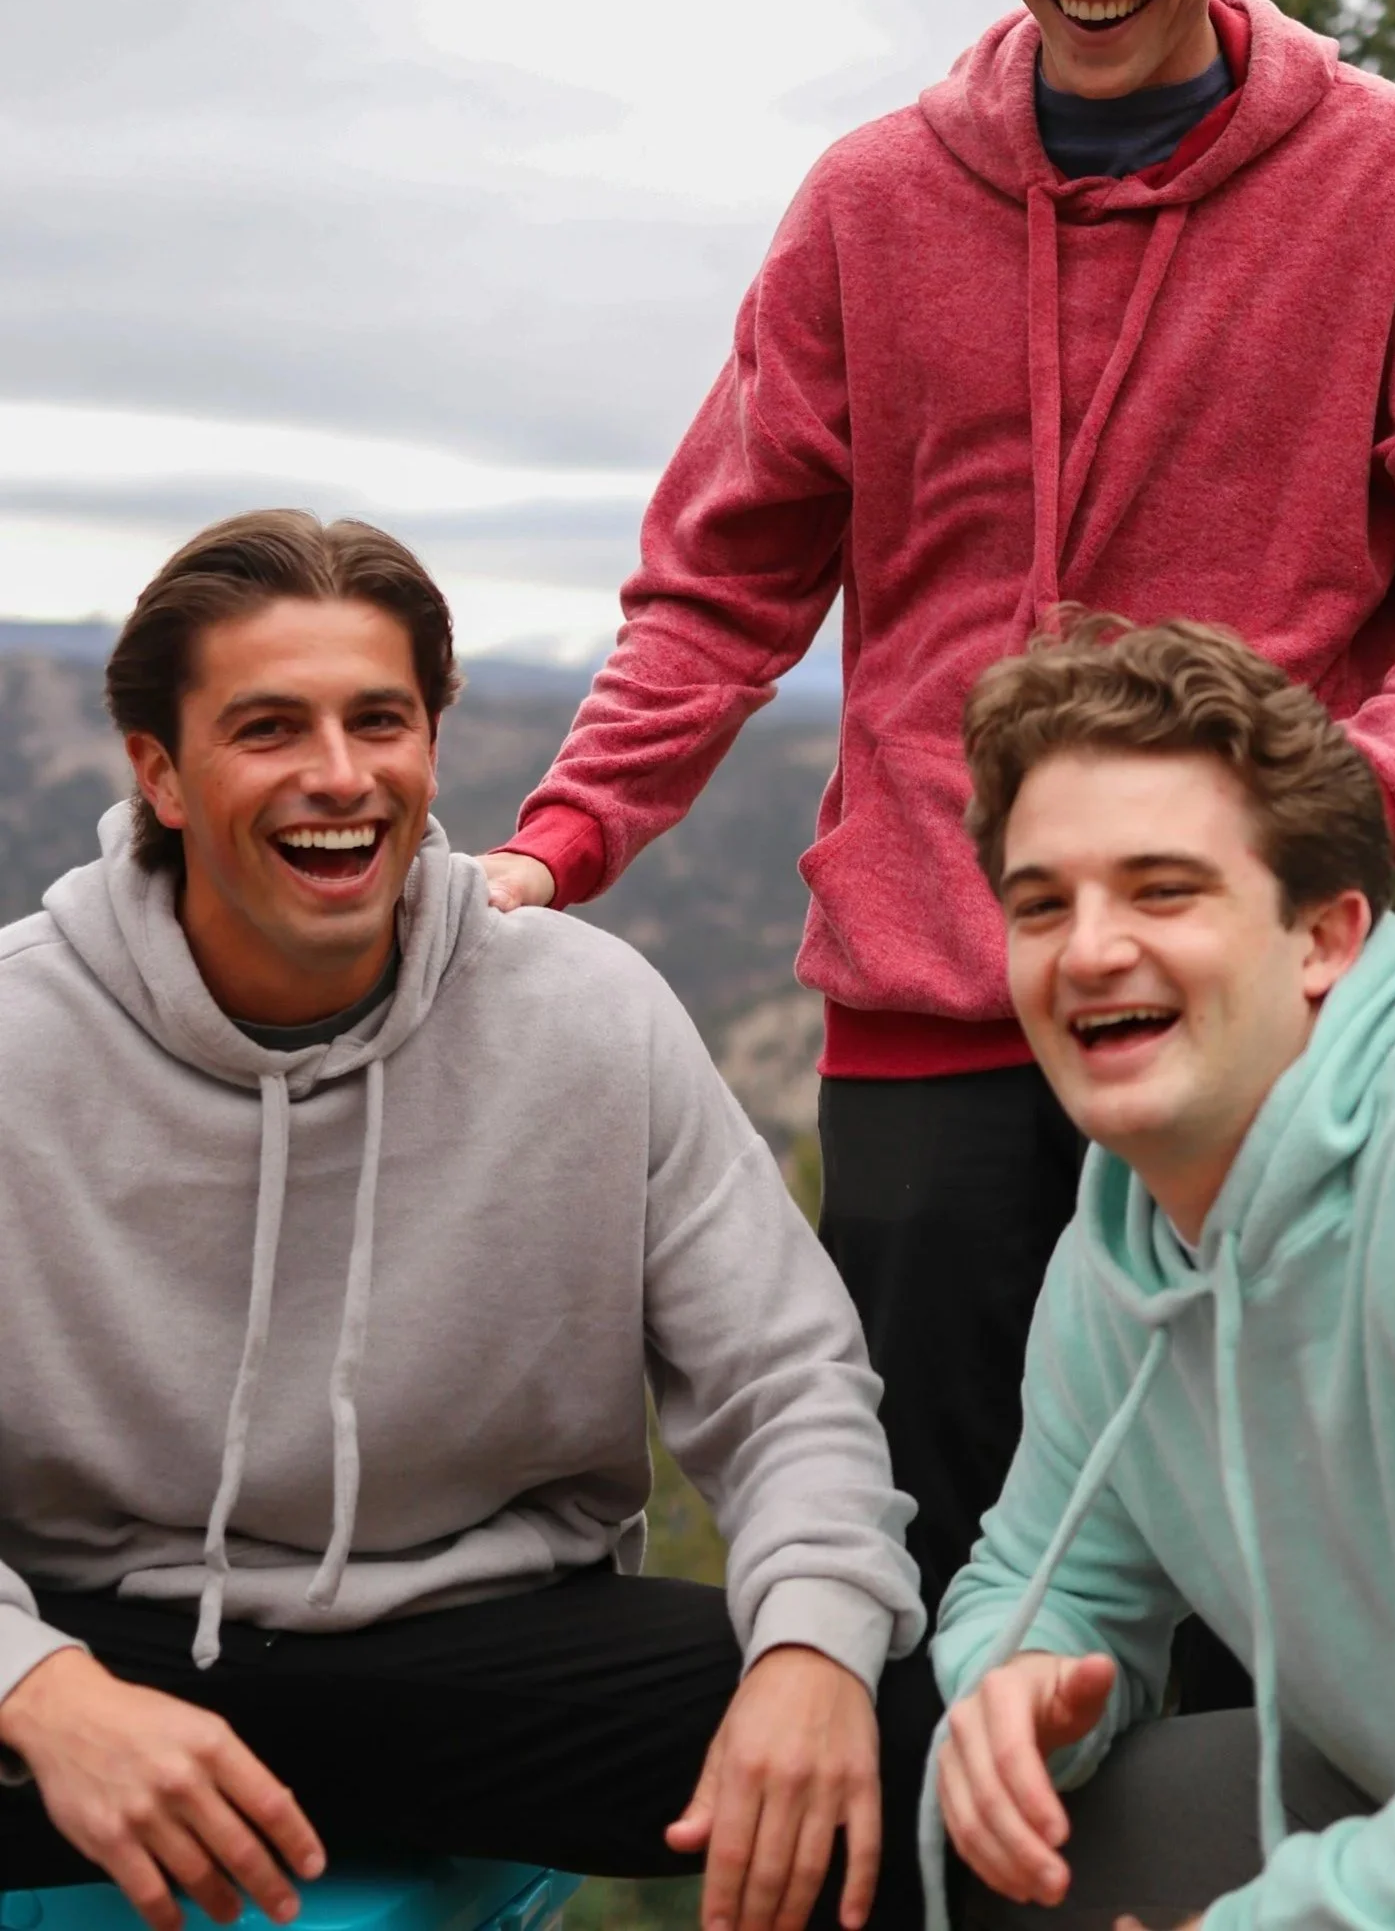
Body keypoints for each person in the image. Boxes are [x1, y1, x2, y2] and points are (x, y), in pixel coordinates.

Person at [477, 0, 1395, 1720]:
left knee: (1282, 1590)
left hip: (1255, 986)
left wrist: (1348, 796)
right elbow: (719, 583)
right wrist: (558, 845)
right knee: (948, 1574)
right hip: (929, 997)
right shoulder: (872, 206)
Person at [0, 510, 924, 1931]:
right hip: (102, 1646)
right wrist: (41, 1692)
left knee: (911, 1726)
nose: (338, 776)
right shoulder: (18, 1035)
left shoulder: (587, 1011)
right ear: (159, 776)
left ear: (433, 745)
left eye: (382, 720)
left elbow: (786, 1381)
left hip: (494, 1646)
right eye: (267, 728)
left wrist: (811, 1650)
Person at [927, 610, 1395, 1930]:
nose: (1089, 950)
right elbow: (1037, 1573)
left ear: (1327, 939)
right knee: (1030, 1838)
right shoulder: (1123, 1250)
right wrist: (1012, 1690)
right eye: (1041, 904)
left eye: (1163, 889)